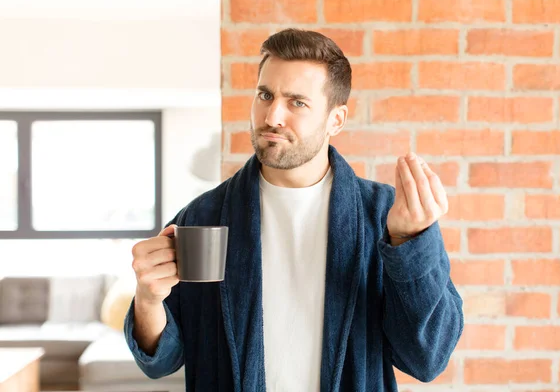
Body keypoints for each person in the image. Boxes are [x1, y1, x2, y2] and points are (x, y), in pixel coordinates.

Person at [125, 28, 464, 391]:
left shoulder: (386, 216)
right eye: (265, 95)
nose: (273, 116)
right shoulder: (203, 217)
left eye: (297, 102)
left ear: (336, 119)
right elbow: (161, 360)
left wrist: (408, 244)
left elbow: (427, 359)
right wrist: (147, 299)